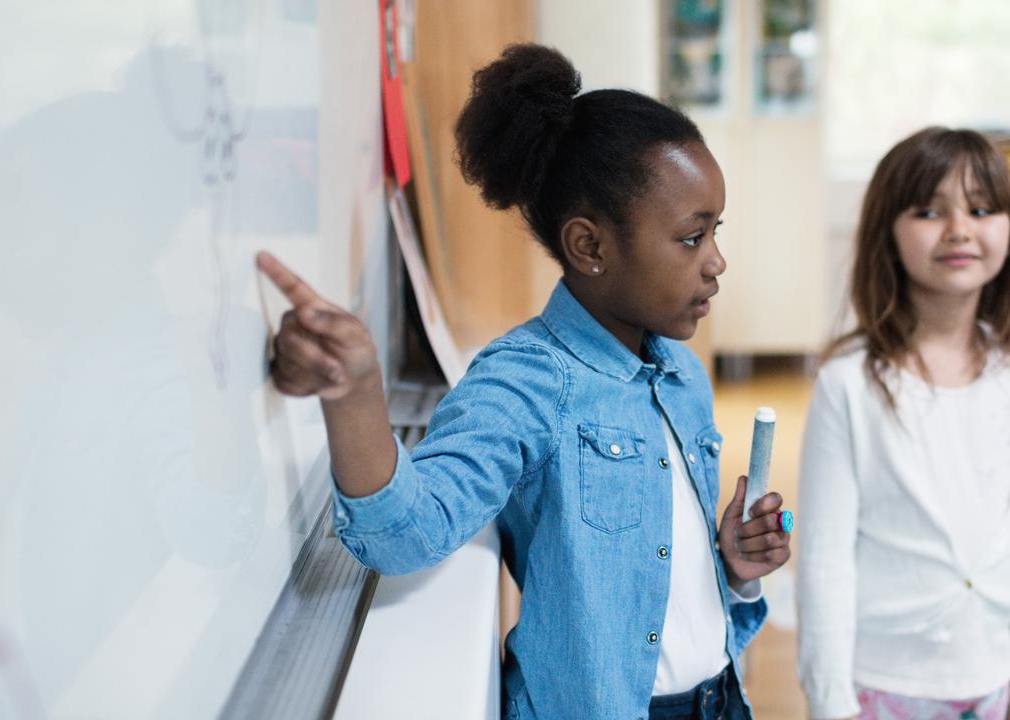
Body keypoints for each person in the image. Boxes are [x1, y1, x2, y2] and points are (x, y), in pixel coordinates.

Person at [258, 43, 791, 719]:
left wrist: (734, 572)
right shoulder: (526, 382)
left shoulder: (682, 373)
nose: (717, 261)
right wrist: (355, 392)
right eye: (691, 238)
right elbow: (403, 535)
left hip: (722, 700)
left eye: (716, 231)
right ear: (590, 247)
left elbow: (662, 584)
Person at [795, 127, 1010, 720]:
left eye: (981, 208)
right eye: (928, 211)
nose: (960, 229)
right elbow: (824, 560)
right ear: (887, 233)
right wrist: (831, 705)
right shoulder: (848, 384)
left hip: (993, 685)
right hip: (880, 690)